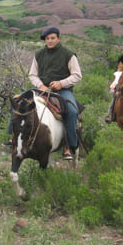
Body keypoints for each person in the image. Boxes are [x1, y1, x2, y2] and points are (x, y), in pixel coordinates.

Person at [28, 27, 82, 160]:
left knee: (72, 111)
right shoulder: (39, 54)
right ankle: (13, 137)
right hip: (42, 89)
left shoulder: (68, 54)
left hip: (62, 91)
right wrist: (41, 85)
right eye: (47, 39)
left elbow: (77, 75)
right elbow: (32, 75)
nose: (50, 41)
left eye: (52, 38)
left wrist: (61, 83)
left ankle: (70, 146)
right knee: (19, 102)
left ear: (58, 38)